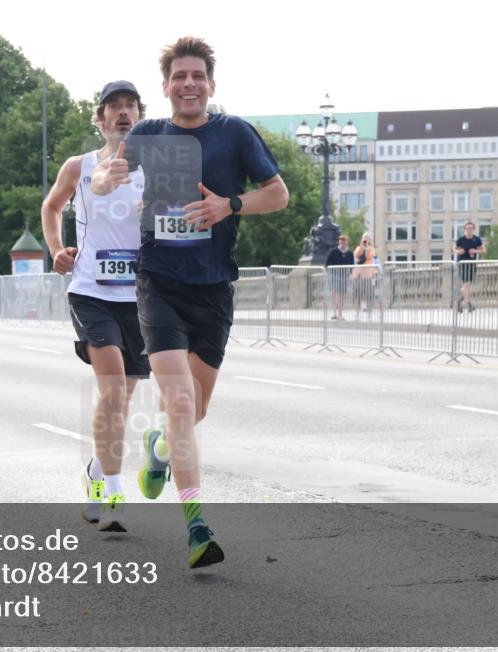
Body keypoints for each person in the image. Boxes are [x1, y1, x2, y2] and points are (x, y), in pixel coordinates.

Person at [93, 37, 289, 567]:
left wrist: (231, 206)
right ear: (166, 87)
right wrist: (106, 176)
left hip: (214, 289)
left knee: (191, 412)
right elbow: (103, 173)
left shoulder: (235, 133)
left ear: (210, 84)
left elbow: (279, 193)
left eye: (197, 76)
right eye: (179, 77)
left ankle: (158, 448)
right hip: (159, 283)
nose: (188, 84)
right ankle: (197, 526)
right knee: (179, 402)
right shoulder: (149, 134)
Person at [42, 80, 149, 532]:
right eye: (114, 107)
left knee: (123, 395)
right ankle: (112, 492)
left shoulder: (158, 166)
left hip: (142, 296)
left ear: (141, 115)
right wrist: (56, 248)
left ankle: (95, 472)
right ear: (100, 118)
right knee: (110, 388)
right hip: (91, 290)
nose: (122, 113)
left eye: (130, 106)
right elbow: (51, 208)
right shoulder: (79, 166)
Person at [453, 221, 485, 313]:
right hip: (462, 264)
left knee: (467, 286)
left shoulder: (477, 239)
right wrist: (458, 251)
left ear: (473, 229)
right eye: (467, 228)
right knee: (466, 286)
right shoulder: (461, 239)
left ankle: (459, 302)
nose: (469, 230)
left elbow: (484, 250)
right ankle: (469, 304)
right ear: (465, 229)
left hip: (472, 264)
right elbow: (453, 248)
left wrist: (475, 251)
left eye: (470, 228)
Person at [325, 234, 354, 320]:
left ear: (347, 242)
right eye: (341, 240)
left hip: (343, 275)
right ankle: (334, 313)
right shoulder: (333, 251)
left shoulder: (349, 253)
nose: (343, 242)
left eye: (345, 241)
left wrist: (350, 275)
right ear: (339, 241)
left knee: (341, 295)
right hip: (334, 274)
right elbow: (327, 263)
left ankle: (340, 314)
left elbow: (351, 265)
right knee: (333, 293)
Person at [351, 232, 378, 317]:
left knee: (369, 294)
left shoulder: (373, 249)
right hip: (359, 275)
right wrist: (362, 247)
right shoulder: (358, 248)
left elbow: (371, 259)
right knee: (357, 294)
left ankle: (369, 313)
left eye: (367, 238)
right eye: (364, 238)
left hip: (369, 274)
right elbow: (357, 255)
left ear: (370, 240)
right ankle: (357, 313)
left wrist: (375, 274)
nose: (366, 240)